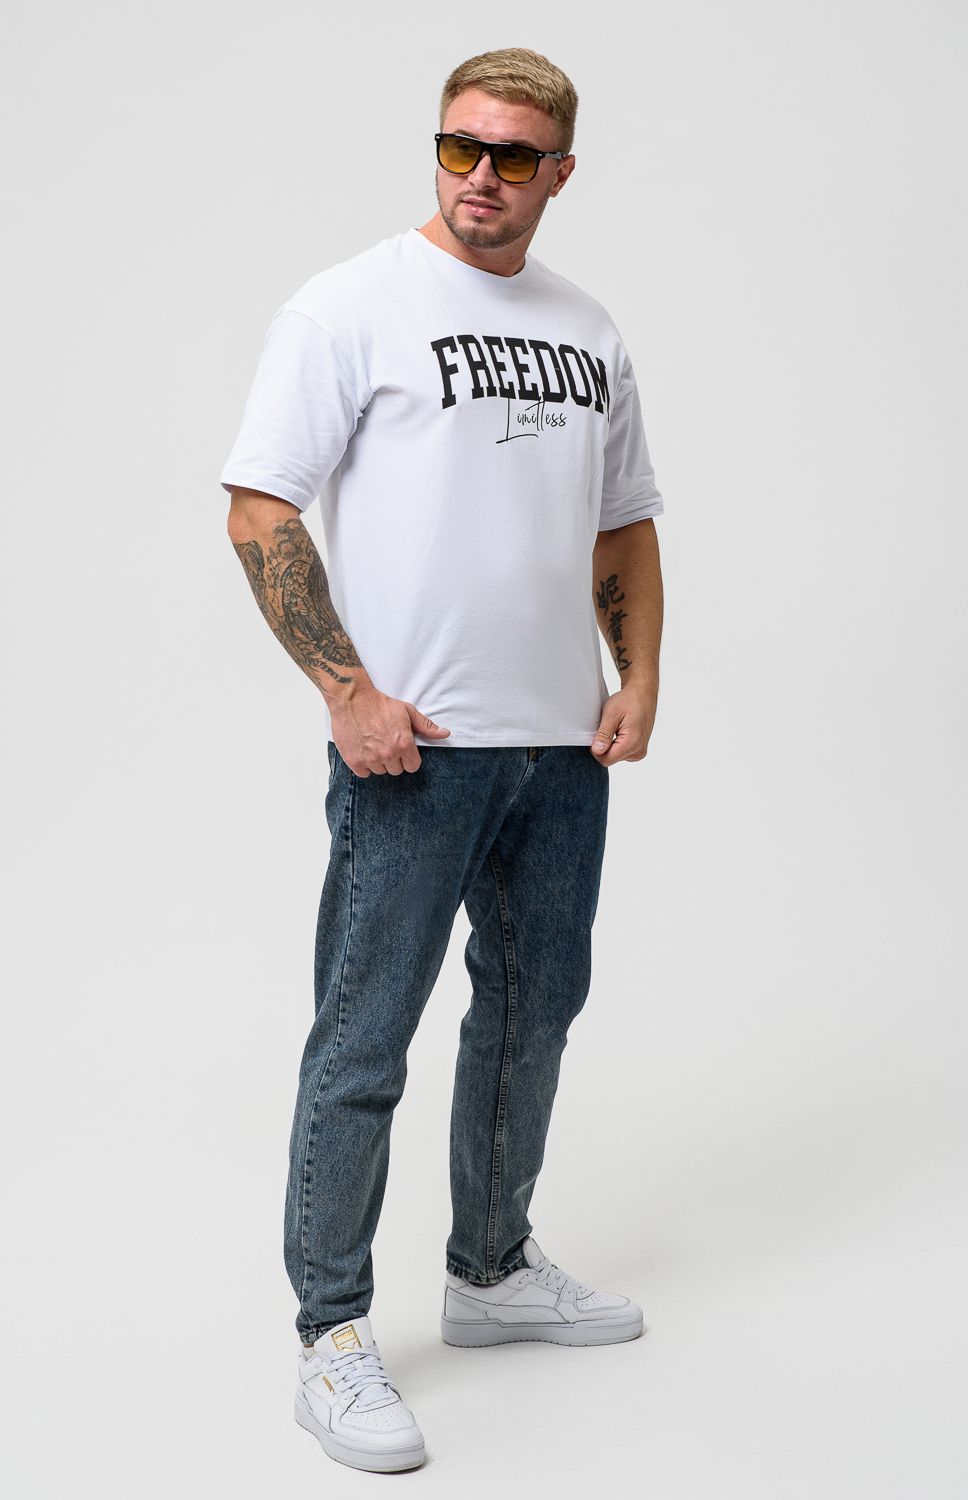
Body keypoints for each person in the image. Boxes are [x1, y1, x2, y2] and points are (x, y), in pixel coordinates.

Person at [218, 45, 664, 1475]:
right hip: (416, 756)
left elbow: (624, 524)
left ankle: (491, 1270)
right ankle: (330, 1334)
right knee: (365, 1039)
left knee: (532, 1018)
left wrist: (639, 677)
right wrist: (346, 692)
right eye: (459, 146)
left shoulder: (589, 329)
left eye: (513, 156)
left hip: (560, 751)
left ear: (560, 173)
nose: (480, 176)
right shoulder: (350, 306)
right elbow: (260, 506)